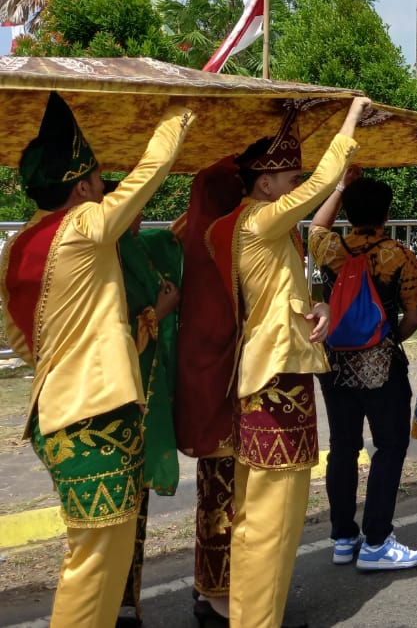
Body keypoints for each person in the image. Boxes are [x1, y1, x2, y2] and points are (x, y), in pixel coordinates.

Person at [1, 93, 192, 628]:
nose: (107, 190)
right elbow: (148, 176)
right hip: (92, 419)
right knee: (94, 561)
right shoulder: (81, 230)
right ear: (82, 187)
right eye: (99, 183)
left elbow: (25, 339)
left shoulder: (16, 249)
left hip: (62, 411)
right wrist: (178, 113)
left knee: (102, 557)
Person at [208, 96, 368, 627]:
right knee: (272, 518)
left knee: (268, 514)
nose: (298, 183)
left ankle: (257, 618)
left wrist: (316, 307)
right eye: (290, 176)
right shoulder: (258, 222)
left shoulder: (262, 226)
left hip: (276, 369)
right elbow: (324, 182)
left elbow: (282, 296)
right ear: (266, 182)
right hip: (274, 377)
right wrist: (350, 121)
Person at [309, 169, 417, 570]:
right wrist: (390, 335)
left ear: (348, 211)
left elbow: (316, 224)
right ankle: (377, 540)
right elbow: (415, 313)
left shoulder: (329, 248)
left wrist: (339, 187)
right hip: (381, 361)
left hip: (335, 360)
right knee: (389, 446)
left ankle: (344, 536)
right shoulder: (399, 255)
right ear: (388, 213)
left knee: (343, 446)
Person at [105, 181, 183, 628]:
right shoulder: (103, 256)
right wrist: (162, 309)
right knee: (114, 509)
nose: (140, 217)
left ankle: (126, 602)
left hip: (143, 396)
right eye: (132, 208)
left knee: (134, 508)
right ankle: (108, 605)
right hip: (117, 397)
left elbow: (178, 235)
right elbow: (114, 332)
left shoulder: (138, 246)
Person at [174, 157, 244, 624]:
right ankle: (219, 597)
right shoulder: (221, 241)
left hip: (198, 383)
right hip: (223, 386)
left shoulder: (186, 235)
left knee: (212, 495)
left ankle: (207, 588)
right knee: (227, 498)